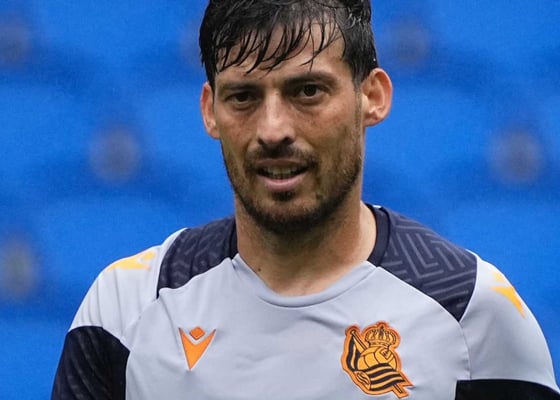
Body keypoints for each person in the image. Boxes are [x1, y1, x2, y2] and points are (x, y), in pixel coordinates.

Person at [52, 1, 559, 399]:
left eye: (308, 91)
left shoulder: (471, 311)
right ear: (209, 111)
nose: (273, 130)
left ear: (373, 97)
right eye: (243, 97)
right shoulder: (128, 308)